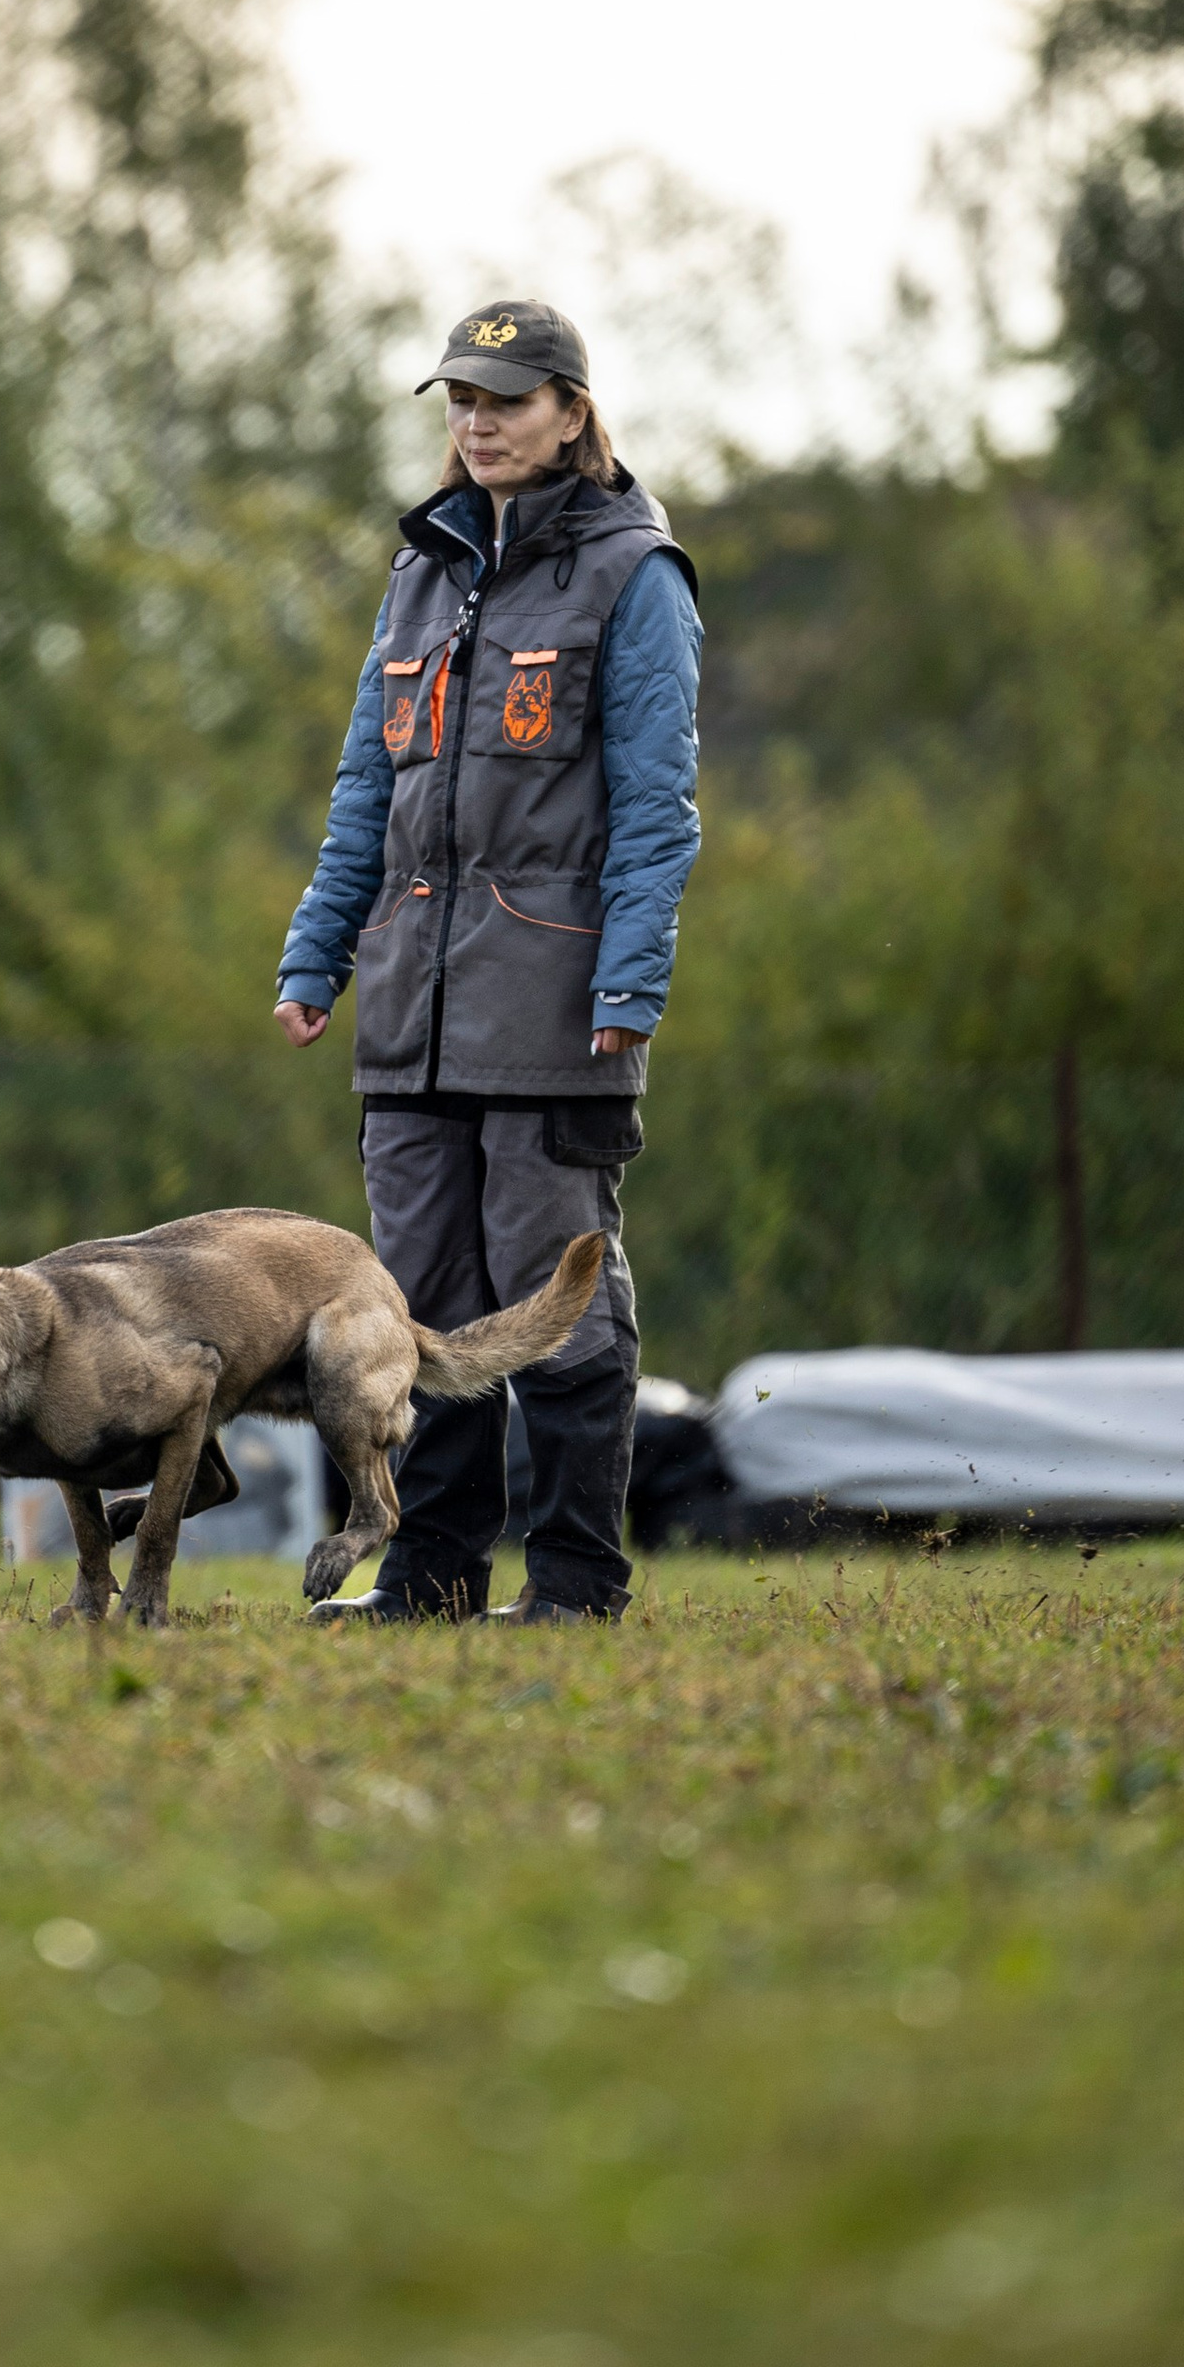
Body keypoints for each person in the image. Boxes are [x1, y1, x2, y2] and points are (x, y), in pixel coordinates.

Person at [275, 297, 701, 1624]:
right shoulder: (421, 571)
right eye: (461, 399)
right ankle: (435, 1579)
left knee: (554, 1299)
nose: (477, 422)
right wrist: (317, 954)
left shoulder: (637, 576)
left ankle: (577, 1582)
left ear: (571, 410)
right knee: (421, 1316)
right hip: (412, 1016)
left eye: (506, 400)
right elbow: (367, 786)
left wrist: (629, 986)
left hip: (556, 1010)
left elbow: (657, 805)